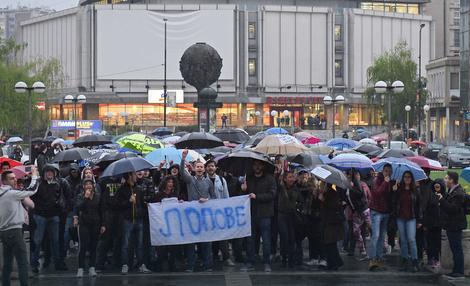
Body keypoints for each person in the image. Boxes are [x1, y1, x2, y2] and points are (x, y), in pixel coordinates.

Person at [0, 168, 39, 286]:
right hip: (14, 231)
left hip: (4, 231)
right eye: (12, 178)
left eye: (15, 178)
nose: (15, 180)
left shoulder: (3, 194)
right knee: (22, 262)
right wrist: (35, 174)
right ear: (4, 182)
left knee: (7, 263)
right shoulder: (12, 194)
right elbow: (32, 189)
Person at [179, 150, 216, 272]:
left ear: (204, 169)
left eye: (201, 167)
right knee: (191, 242)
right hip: (192, 216)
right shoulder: (190, 180)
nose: (199, 169)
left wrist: (207, 199)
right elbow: (181, 173)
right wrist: (183, 158)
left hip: (205, 216)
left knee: (206, 241)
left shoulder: (209, 182)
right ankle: (190, 265)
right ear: (194, 169)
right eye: (197, 167)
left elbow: (214, 197)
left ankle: (207, 265)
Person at [30, 164, 70, 273]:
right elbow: (31, 194)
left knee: (55, 241)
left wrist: (63, 209)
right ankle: (34, 264)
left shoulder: (59, 183)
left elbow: (65, 197)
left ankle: (57, 263)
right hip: (40, 216)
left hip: (54, 216)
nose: (49, 173)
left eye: (51, 172)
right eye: (47, 171)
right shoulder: (38, 183)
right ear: (44, 173)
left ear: (55, 173)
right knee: (38, 241)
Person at [240, 160, 277, 273]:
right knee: (250, 240)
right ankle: (250, 261)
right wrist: (243, 190)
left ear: (263, 166)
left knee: (266, 239)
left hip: (265, 214)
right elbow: (245, 196)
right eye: (255, 165)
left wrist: (258, 197)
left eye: (259, 165)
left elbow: (272, 194)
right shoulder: (249, 179)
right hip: (251, 213)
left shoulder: (270, 178)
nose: (257, 167)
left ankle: (267, 262)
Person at [115, 171, 151, 275]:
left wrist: (145, 207)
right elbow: (117, 205)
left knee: (139, 244)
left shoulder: (138, 189)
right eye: (134, 174)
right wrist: (128, 201)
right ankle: (125, 264)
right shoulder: (121, 190)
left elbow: (141, 203)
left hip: (139, 219)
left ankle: (141, 265)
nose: (136, 176)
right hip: (127, 220)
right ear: (130, 176)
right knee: (126, 244)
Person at [205, 160, 234, 267]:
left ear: (215, 168)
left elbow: (226, 196)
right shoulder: (203, 180)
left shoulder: (221, 180)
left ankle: (226, 258)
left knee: (223, 237)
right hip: (207, 213)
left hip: (220, 212)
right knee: (210, 237)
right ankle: (213, 257)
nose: (210, 168)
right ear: (206, 168)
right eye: (208, 166)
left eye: (212, 166)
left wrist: (227, 211)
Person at [74, 179, 106, 278]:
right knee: (83, 246)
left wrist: (103, 224)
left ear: (93, 186)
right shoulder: (80, 196)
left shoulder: (98, 196)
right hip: (84, 223)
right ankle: (81, 268)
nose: (88, 186)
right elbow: (78, 207)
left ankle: (92, 267)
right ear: (83, 186)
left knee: (94, 246)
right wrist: (85, 198)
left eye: (90, 184)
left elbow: (102, 211)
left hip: (96, 223)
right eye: (86, 184)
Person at [439, 171, 467, 279]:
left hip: (455, 225)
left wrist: (441, 200)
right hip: (451, 224)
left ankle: (459, 272)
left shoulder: (458, 193)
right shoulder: (452, 190)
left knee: (457, 248)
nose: (445, 180)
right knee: (455, 248)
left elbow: (452, 209)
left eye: (446, 178)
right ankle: (456, 270)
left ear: (451, 180)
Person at [391, 171, 421, 273]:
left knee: (411, 240)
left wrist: (420, 220)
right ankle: (404, 260)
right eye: (405, 177)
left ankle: (414, 261)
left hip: (411, 218)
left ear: (411, 179)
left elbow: (418, 207)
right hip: (401, 218)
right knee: (403, 240)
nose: (407, 179)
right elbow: (393, 203)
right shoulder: (399, 190)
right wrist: (394, 191)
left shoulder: (415, 191)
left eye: (409, 177)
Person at [368, 164, 393, 271]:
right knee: (376, 235)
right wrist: (385, 182)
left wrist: (393, 188)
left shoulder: (390, 181)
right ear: (382, 171)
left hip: (386, 212)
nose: (387, 173)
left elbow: (389, 197)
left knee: (382, 237)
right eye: (386, 171)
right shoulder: (377, 180)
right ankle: (372, 259)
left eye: (389, 171)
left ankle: (379, 257)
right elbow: (377, 193)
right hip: (376, 211)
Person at [154, 176, 180, 272]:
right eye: (168, 182)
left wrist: (180, 202)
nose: (170, 184)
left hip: (173, 224)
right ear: (164, 183)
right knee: (162, 246)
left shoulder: (175, 195)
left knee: (173, 245)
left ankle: (172, 264)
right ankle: (160, 264)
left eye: (172, 182)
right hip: (162, 223)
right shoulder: (159, 195)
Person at [346, 169, 371, 260]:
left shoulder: (359, 184)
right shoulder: (347, 186)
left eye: (357, 175)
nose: (349, 177)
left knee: (371, 229)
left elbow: (361, 194)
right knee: (356, 231)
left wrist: (353, 187)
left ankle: (383, 245)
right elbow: (348, 199)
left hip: (364, 209)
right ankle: (363, 252)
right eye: (348, 176)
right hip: (356, 211)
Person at [319, 181, 344, 270]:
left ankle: (335, 263)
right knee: (329, 243)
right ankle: (333, 262)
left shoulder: (332, 193)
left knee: (330, 243)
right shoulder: (326, 193)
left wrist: (323, 200)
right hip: (328, 221)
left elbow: (334, 205)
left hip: (332, 222)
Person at [423, 179, 445, 272]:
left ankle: (437, 259)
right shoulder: (430, 196)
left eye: (438, 187)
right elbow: (426, 209)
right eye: (435, 187)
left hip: (440, 223)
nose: (436, 189)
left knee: (438, 243)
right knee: (430, 242)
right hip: (431, 223)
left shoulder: (444, 196)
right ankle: (431, 258)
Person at [277, 170, 298, 268]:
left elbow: (300, 199)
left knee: (292, 238)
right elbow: (276, 184)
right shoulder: (280, 188)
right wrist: (277, 174)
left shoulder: (296, 188)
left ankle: (291, 258)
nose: (291, 179)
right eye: (289, 177)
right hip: (282, 215)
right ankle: (284, 257)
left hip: (292, 215)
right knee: (284, 237)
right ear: (285, 179)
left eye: (293, 177)